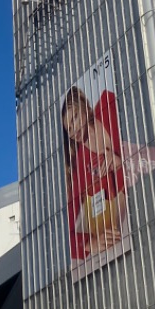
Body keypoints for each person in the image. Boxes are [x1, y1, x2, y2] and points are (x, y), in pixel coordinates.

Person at [62, 87, 126, 263]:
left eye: (74, 117)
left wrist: (121, 162)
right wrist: (89, 243)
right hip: (124, 235)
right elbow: (63, 235)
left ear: (84, 107)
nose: (73, 128)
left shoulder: (108, 102)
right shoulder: (79, 171)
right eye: (68, 128)